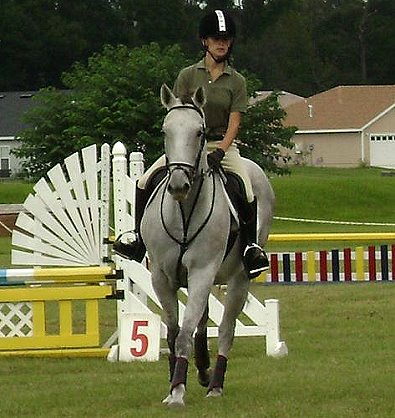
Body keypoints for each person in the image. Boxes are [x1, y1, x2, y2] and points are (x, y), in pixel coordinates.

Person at [113, 9, 269, 279]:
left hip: (221, 146)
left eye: (226, 39)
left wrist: (221, 151)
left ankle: (250, 249)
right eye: (215, 38)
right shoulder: (187, 75)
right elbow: (176, 115)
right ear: (204, 41)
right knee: (144, 181)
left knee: (246, 188)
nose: (221, 43)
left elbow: (234, 123)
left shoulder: (237, 81)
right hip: (186, 148)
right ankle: (137, 238)